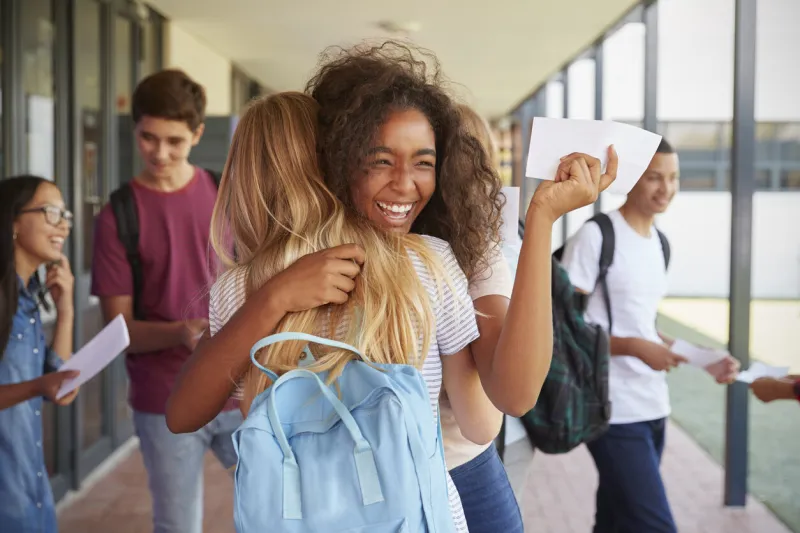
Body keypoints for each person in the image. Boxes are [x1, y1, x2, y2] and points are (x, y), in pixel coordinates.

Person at [306, 41, 615, 533]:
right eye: (381, 158)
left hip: (456, 473)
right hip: (338, 485)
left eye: (425, 160)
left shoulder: (460, 253)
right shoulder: (308, 254)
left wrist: (541, 220)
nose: (405, 182)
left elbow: (511, 396)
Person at [166, 91, 500, 530]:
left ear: (243, 178)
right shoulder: (426, 262)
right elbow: (482, 425)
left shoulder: (240, 290)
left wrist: (273, 298)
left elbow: (182, 416)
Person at [560, 139, 740, 533]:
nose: (666, 189)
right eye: (655, 177)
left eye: (673, 178)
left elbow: (643, 325)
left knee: (615, 518)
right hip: (611, 408)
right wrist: (632, 348)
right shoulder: (597, 236)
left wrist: (701, 358)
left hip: (653, 406)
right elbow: (565, 330)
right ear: (631, 178)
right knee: (653, 524)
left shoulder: (660, 244)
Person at [91, 69, 240, 533]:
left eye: (174, 140)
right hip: (164, 400)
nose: (159, 152)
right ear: (134, 130)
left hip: (239, 389)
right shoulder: (119, 215)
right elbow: (119, 331)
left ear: (197, 134)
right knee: (177, 525)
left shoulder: (226, 197)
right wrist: (180, 332)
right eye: (148, 138)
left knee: (278, 513)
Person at [0, 175, 79, 533]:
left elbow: (61, 388)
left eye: (64, 215)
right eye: (50, 212)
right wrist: (39, 386)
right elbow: (45, 384)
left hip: (30, 484)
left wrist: (66, 313)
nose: (62, 224)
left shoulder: (29, 298)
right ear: (13, 221)